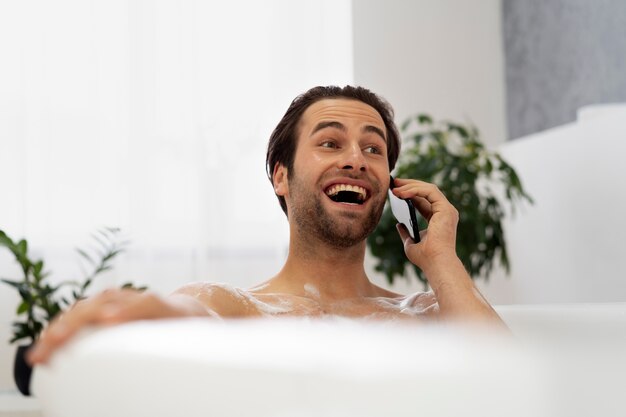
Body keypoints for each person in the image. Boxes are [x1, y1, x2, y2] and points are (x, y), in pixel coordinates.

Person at [28, 85, 506, 365]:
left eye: (373, 149)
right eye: (330, 143)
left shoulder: (426, 312)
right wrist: (143, 310)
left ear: (390, 182)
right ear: (281, 176)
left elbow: (504, 381)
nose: (356, 161)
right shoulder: (236, 306)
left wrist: (441, 257)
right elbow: (188, 314)